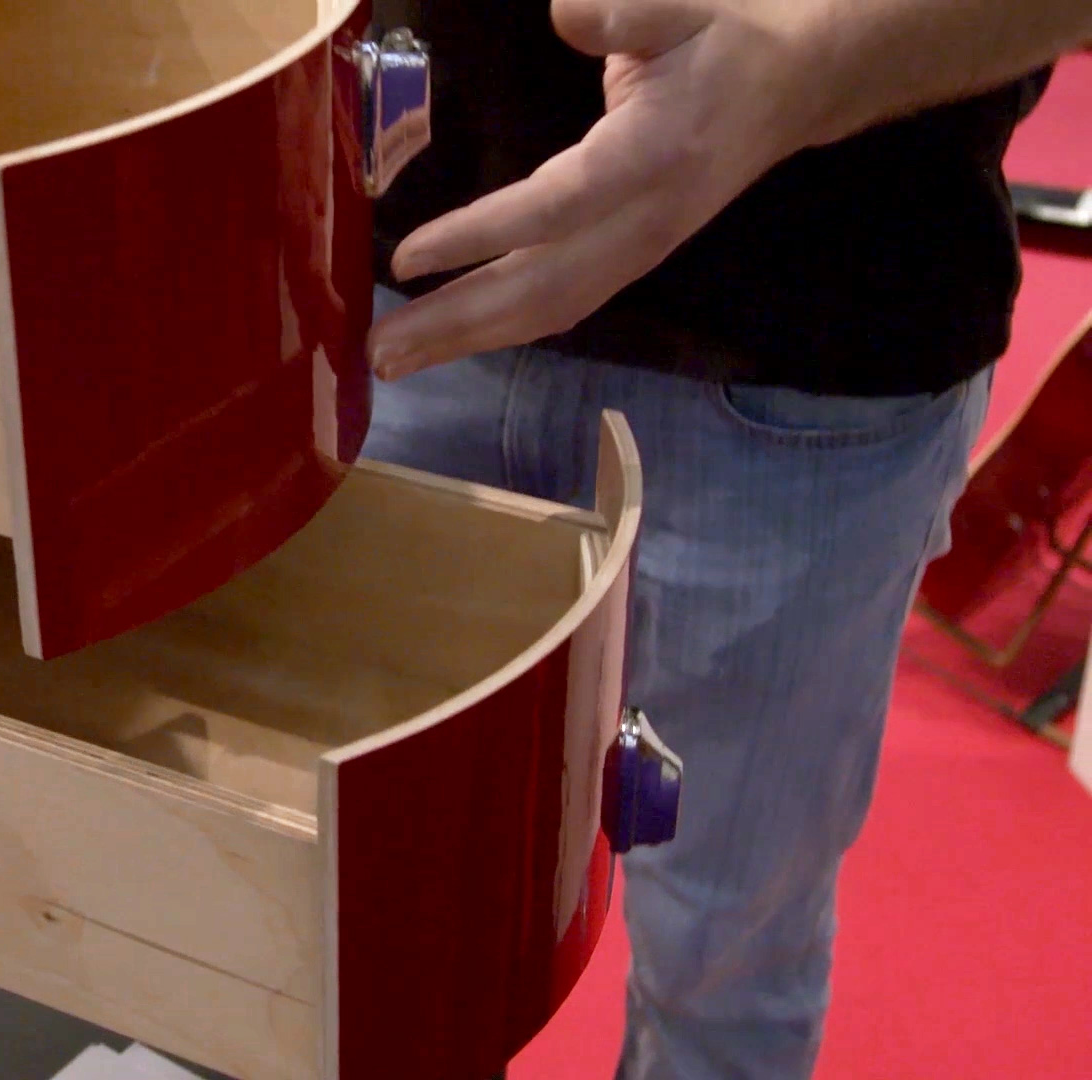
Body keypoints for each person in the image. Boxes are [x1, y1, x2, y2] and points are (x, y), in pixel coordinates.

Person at [364, 2, 1092, 1078]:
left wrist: (818, 63)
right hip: (397, 268)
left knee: (724, 951)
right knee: (375, 906)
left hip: (814, 349)